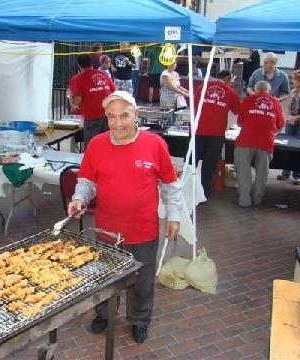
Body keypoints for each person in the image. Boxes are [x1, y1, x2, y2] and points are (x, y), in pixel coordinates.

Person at [68, 91, 181, 343]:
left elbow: (170, 185)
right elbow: (86, 181)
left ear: (136, 115)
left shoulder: (155, 144)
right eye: (111, 116)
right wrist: (79, 199)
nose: (118, 123)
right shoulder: (97, 144)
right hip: (107, 230)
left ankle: (139, 320)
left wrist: (174, 216)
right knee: (104, 277)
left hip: (143, 230)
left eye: (124, 116)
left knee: (142, 280)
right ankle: (104, 314)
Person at [234, 81, 285, 207]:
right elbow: (281, 124)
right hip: (266, 141)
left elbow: (240, 121)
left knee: (243, 171)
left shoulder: (247, 100)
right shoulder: (275, 102)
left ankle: (244, 200)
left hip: (245, 140)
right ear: (269, 90)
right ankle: (257, 198)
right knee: (262, 173)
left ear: (256, 90)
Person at [194, 70, 241, 197]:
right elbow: (238, 110)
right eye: (231, 80)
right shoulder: (230, 91)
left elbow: (193, 103)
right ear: (227, 78)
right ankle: (204, 192)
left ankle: (188, 188)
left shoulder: (203, 86)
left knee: (192, 161)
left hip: (198, 130)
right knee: (209, 164)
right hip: (216, 133)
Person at [70, 54, 116, 147]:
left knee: (91, 146)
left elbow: (77, 101)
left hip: (92, 117)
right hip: (107, 114)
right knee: (105, 145)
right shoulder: (103, 75)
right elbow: (115, 91)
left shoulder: (81, 78)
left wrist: (71, 98)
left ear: (79, 65)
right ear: (91, 63)